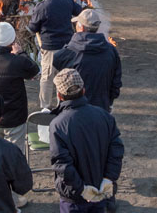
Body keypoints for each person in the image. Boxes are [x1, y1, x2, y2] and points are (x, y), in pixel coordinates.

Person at [49, 69, 124, 213]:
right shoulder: (104, 116)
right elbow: (116, 150)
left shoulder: (58, 124)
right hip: (100, 189)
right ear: (83, 90)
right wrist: (108, 179)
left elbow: (62, 164)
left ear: (59, 95)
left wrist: (81, 189)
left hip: (73, 197)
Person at [0, 21, 40, 157]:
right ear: (12, 40)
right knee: (15, 155)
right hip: (15, 116)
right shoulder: (18, 62)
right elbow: (34, 70)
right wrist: (21, 53)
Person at [28, 0, 82, 109]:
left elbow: (32, 28)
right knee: (66, 76)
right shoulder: (67, 1)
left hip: (50, 47)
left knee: (47, 77)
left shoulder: (42, 7)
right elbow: (79, 12)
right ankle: (63, 104)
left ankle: (45, 106)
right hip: (67, 47)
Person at [53, 10, 122, 113]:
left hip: (74, 110)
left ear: (81, 27)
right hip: (102, 107)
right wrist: (109, 101)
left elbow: (56, 62)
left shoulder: (68, 52)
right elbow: (116, 82)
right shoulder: (111, 51)